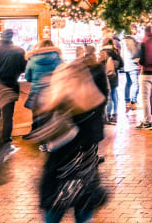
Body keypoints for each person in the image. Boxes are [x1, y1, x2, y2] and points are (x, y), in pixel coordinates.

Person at [37, 60, 108, 223]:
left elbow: (50, 141)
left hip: (71, 174)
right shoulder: (87, 106)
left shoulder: (76, 107)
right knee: (73, 217)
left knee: (62, 217)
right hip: (74, 173)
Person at [25, 40, 63, 132]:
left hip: (35, 94)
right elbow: (62, 76)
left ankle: (36, 137)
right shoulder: (59, 60)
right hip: (52, 94)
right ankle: (47, 140)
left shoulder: (32, 60)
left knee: (36, 117)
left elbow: (28, 78)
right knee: (50, 119)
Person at [100, 38, 123, 123]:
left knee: (108, 96)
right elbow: (121, 64)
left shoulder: (102, 52)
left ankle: (108, 115)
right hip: (114, 75)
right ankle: (115, 114)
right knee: (114, 94)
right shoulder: (116, 51)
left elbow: (99, 64)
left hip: (105, 76)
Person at [122, 36, 140, 111]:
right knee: (136, 83)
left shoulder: (123, 43)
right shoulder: (134, 44)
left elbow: (122, 55)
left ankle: (127, 101)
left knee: (128, 83)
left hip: (126, 66)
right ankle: (133, 101)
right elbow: (136, 55)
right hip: (133, 66)